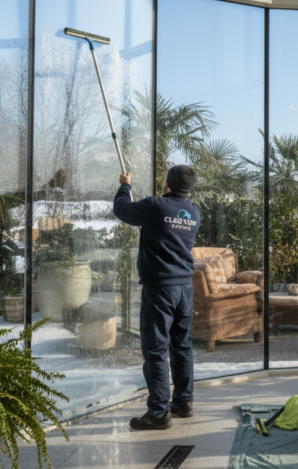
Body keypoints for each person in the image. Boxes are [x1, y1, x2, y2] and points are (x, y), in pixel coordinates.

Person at [113, 165, 201, 430]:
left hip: (160, 290)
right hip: (185, 288)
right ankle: (183, 403)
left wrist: (125, 185)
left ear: (168, 183)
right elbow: (169, 235)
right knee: (182, 346)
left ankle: (159, 413)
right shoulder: (194, 213)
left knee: (155, 350)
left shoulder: (155, 206)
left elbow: (122, 210)